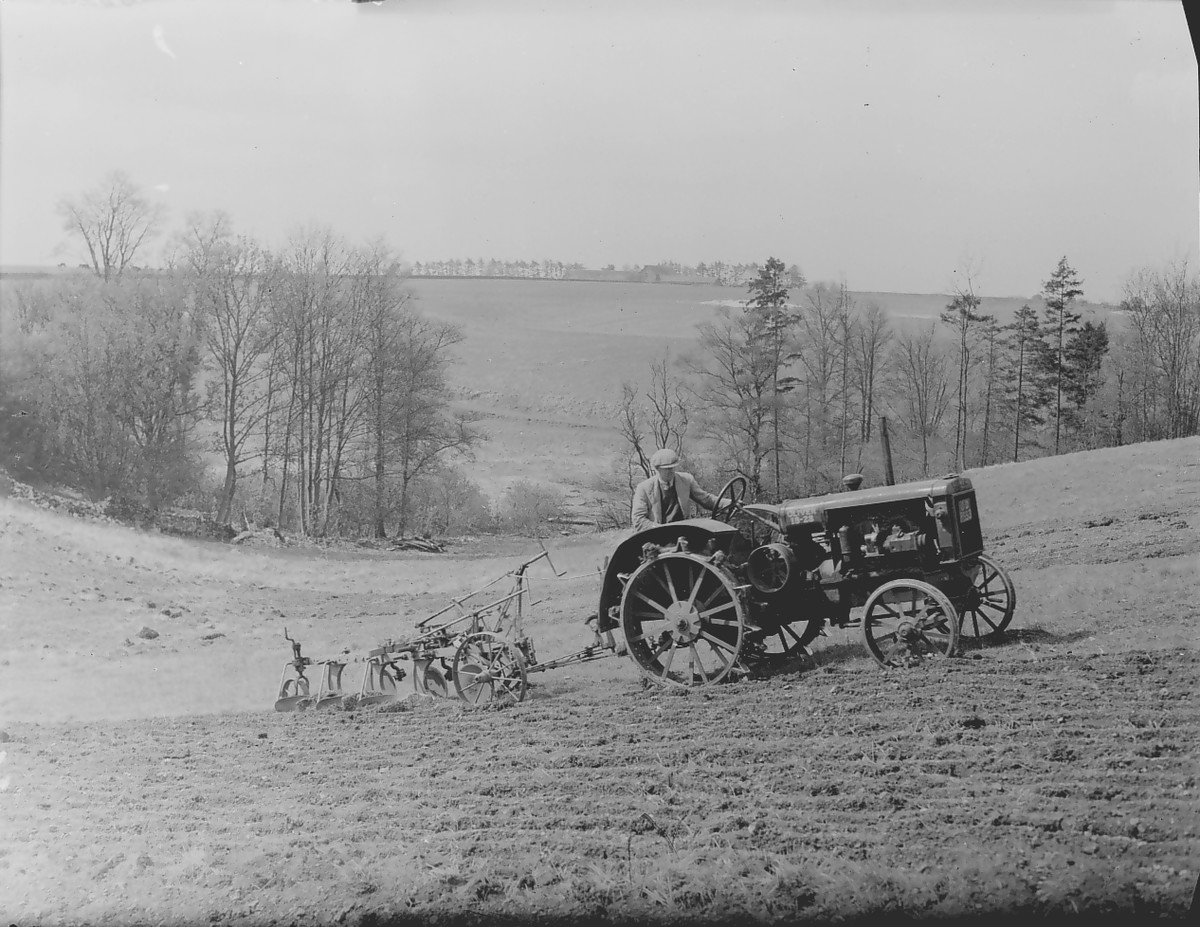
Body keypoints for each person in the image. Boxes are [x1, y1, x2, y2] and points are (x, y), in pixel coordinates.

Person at [630, 448, 719, 531]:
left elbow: (706, 500)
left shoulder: (686, 480)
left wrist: (728, 503)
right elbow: (638, 519)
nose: (671, 471)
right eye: (667, 469)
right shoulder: (644, 488)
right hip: (657, 534)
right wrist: (658, 528)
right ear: (657, 469)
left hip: (683, 531)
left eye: (673, 467)